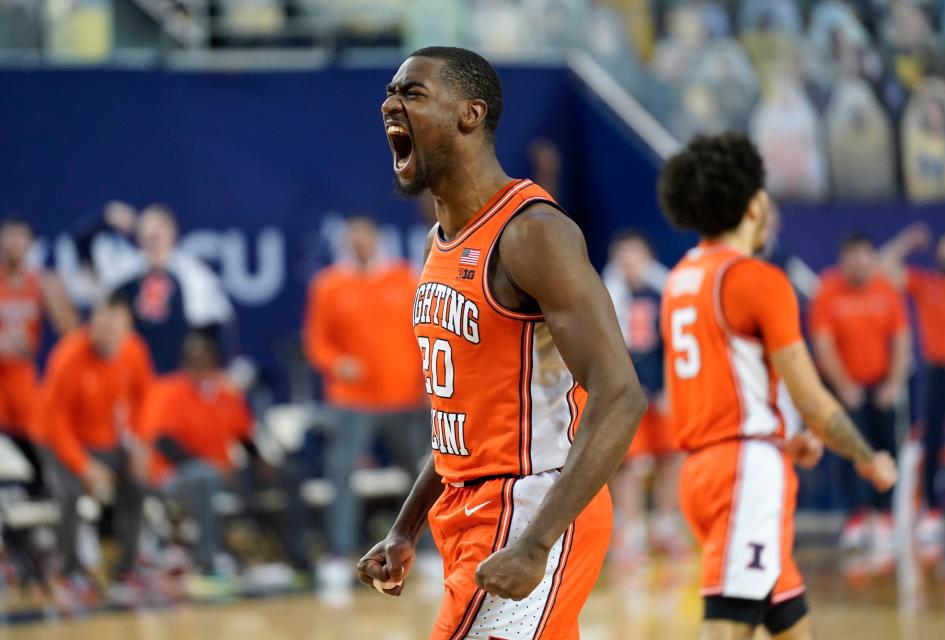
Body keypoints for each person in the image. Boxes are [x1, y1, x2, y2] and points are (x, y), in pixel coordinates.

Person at [355, 46, 646, 638]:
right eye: (390, 91)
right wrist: (404, 528)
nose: (390, 103)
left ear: (469, 114)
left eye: (412, 93)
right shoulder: (442, 244)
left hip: (531, 507)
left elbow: (621, 395)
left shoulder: (532, 232)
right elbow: (461, 423)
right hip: (468, 515)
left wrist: (538, 541)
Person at [658, 133, 896, 640]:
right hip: (745, 473)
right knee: (727, 624)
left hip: (703, 471)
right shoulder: (757, 280)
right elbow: (812, 399)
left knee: (790, 620)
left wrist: (777, 436)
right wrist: (866, 457)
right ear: (751, 204)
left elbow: (718, 387)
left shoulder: (680, 279)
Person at [303, 216, 429, 597]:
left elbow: (424, 331)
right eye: (352, 240)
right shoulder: (328, 285)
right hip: (352, 401)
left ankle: (432, 552)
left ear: (377, 239)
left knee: (424, 478)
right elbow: (316, 341)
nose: (359, 245)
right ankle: (339, 555)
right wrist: (336, 363)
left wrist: (427, 383)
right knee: (342, 474)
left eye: (365, 238)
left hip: (405, 398)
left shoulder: (405, 278)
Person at [142, 331, 311, 585]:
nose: (199, 365)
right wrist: (208, 465)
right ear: (184, 361)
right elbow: (164, 443)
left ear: (214, 361)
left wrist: (261, 462)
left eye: (205, 358)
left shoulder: (224, 393)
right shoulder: (167, 391)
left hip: (224, 472)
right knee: (206, 476)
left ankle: (297, 559)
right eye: (193, 358)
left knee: (289, 473)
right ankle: (207, 567)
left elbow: (244, 437)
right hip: (176, 476)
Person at [35, 292, 154, 603]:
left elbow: (145, 401)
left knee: (138, 483)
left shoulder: (134, 352)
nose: (109, 335)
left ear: (126, 328)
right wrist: (83, 465)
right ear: (92, 325)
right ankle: (70, 571)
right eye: (102, 326)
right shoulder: (68, 356)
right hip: (59, 442)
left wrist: (141, 445)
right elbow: (55, 423)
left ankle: (127, 568)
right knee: (70, 493)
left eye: (117, 328)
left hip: (107, 442)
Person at [809, 232, 911, 565]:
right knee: (847, 452)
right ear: (843, 260)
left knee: (886, 450)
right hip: (845, 388)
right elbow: (823, 344)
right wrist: (844, 385)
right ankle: (855, 518)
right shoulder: (827, 290)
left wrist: (893, 384)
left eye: (864, 255)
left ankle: (883, 518)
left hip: (881, 385)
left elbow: (901, 339)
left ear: (872, 257)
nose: (859, 262)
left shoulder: (886, 289)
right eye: (852, 256)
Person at [602, 230, 686, 563]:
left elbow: (675, 344)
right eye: (624, 254)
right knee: (630, 463)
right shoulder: (608, 294)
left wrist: (669, 387)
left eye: (636, 254)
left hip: (662, 391)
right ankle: (632, 530)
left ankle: (665, 525)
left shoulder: (665, 292)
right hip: (626, 394)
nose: (630, 261)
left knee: (673, 457)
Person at [881, 224, 945, 563]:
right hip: (937, 371)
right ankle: (932, 511)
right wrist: (907, 242)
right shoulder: (925, 283)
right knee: (931, 442)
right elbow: (884, 268)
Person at [0, 216, 79, 497]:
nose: (13, 245)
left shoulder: (39, 283)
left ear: (31, 244)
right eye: (7, 237)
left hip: (23, 381)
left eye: (20, 238)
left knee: (37, 454)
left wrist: (58, 295)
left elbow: (72, 333)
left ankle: (37, 516)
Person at [112, 204, 234, 374]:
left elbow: (213, 328)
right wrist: (102, 219)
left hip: (179, 376)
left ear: (173, 233)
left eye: (159, 233)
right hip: (130, 374)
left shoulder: (195, 276)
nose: (153, 238)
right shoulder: (124, 273)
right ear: (139, 237)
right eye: (148, 233)